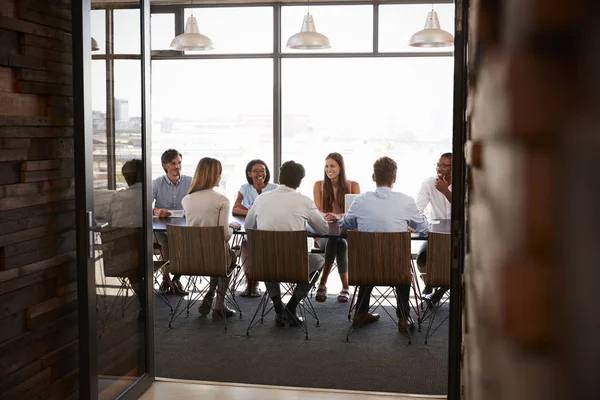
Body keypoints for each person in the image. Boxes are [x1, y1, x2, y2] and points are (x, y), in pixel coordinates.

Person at [339, 156, 429, 333]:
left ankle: (360, 312)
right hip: (396, 270)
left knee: (369, 259)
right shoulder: (406, 201)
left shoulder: (360, 200)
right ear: (394, 178)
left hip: (365, 270)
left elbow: (344, 226)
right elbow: (424, 228)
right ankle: (403, 317)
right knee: (401, 263)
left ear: (373, 177)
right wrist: (406, 226)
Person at [245, 161, 328, 327]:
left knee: (267, 254)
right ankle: (291, 306)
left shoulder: (261, 199)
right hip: (295, 265)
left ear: (279, 178)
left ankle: (278, 307)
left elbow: (249, 227)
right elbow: (323, 229)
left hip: (263, 265)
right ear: (299, 182)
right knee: (320, 261)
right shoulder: (304, 201)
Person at [182, 157, 237, 320]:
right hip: (216, 257)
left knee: (219, 257)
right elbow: (224, 236)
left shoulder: (186, 199)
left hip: (192, 258)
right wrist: (232, 229)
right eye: (219, 173)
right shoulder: (222, 200)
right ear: (215, 175)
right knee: (230, 258)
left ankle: (210, 293)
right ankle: (219, 305)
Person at [312, 152, 360, 303]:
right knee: (337, 241)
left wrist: (339, 216)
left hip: (346, 233)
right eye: (326, 166)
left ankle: (322, 284)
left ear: (341, 167)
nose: (328, 169)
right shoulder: (319, 185)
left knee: (339, 240)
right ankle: (345, 287)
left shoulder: (353, 185)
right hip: (325, 233)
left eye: (332, 166)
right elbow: (317, 210)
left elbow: (356, 212)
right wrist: (326, 215)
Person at [232, 159, 278, 297]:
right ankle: (250, 282)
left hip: (269, 228)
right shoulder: (245, 188)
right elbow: (235, 208)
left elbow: (275, 210)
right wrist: (253, 212)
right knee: (246, 244)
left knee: (259, 245)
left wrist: (249, 210)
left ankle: (257, 284)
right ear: (249, 173)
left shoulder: (274, 188)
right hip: (251, 227)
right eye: (256, 171)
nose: (260, 173)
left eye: (262, 170)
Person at [152, 149, 193, 295]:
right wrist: (155, 211)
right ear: (165, 165)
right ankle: (167, 279)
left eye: (179, 163)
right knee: (167, 243)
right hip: (162, 228)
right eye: (173, 163)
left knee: (183, 242)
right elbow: (144, 206)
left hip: (184, 227)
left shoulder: (190, 181)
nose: (177, 166)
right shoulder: (156, 183)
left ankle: (174, 278)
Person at [415, 152, 452, 306]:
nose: (439, 168)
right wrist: (413, 222)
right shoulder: (429, 183)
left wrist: (446, 192)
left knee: (455, 263)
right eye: (438, 164)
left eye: (444, 165)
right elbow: (418, 209)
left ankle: (437, 294)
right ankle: (429, 283)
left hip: (459, 235)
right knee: (422, 258)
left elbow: (465, 209)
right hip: (436, 234)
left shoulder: (465, 182)